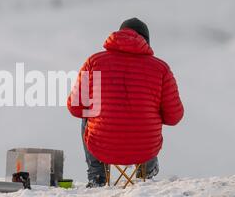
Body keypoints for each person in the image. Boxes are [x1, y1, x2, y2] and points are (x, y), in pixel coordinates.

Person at [67, 18, 184, 187]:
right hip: (144, 148)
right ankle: (147, 170)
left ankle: (96, 175)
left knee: (86, 114)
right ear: (147, 41)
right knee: (154, 114)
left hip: (102, 145)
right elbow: (174, 118)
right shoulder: (161, 69)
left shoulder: (94, 62)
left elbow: (75, 108)